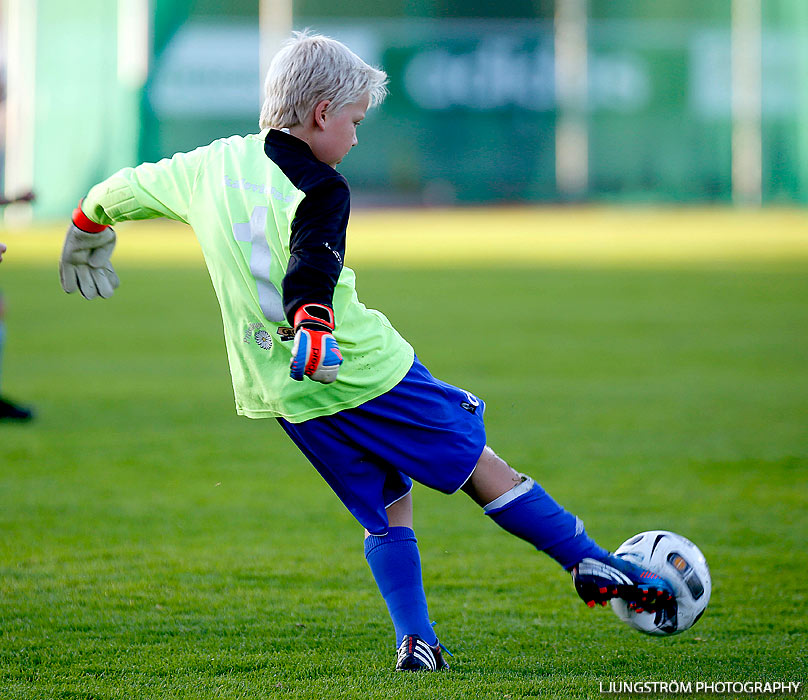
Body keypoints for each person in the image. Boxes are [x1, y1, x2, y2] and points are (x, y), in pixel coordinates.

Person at [59, 32, 674, 671]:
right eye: (354, 121)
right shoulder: (324, 187)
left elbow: (124, 185)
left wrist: (86, 226)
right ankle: (592, 562)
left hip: (290, 393)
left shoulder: (207, 166)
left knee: (386, 507)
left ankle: (417, 642)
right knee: (480, 464)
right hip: (358, 367)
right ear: (322, 113)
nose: (355, 137)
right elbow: (311, 261)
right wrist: (314, 323)